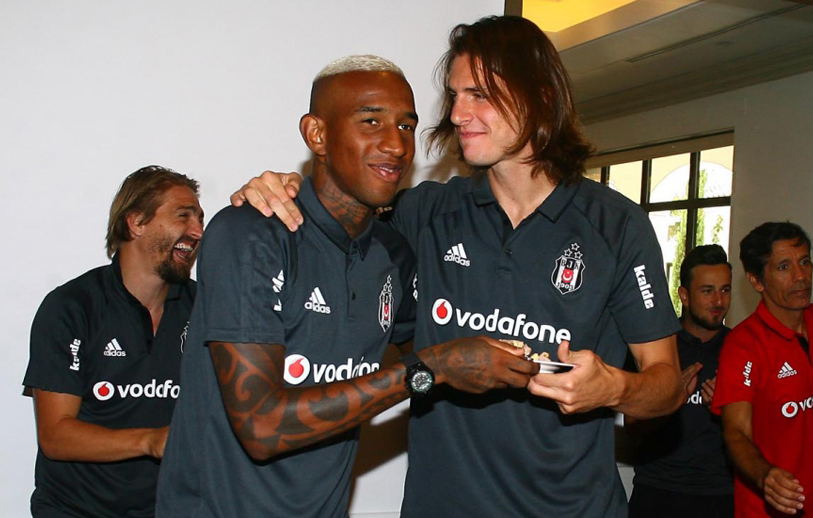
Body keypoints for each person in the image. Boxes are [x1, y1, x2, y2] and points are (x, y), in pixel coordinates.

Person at [234, 16, 684, 517]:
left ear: (539, 98)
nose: (457, 113)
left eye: (479, 95)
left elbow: (666, 384)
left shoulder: (616, 225)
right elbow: (336, 208)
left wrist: (615, 388)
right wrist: (280, 187)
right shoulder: (423, 213)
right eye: (454, 95)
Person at [154, 55, 536, 518]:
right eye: (371, 121)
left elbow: (449, 355)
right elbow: (262, 427)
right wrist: (430, 369)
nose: (395, 144)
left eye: (406, 126)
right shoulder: (252, 233)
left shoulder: (393, 255)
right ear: (317, 134)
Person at [22, 166, 204, 518]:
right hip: (75, 510)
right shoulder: (72, 307)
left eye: (200, 219)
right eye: (183, 215)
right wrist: (151, 441)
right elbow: (55, 436)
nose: (197, 231)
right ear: (136, 223)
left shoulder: (205, 307)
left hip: (171, 508)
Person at [711, 222, 813, 517]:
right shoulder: (743, 345)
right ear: (756, 280)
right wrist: (765, 475)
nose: (801, 276)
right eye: (784, 267)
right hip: (770, 510)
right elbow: (736, 432)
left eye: (805, 262)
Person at [625, 244, 735, 518]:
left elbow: (764, 431)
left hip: (720, 496)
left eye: (725, 290)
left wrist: (727, 410)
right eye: (707, 291)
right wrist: (670, 400)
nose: (718, 301)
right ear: (684, 295)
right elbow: (631, 425)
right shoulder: (658, 348)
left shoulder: (741, 348)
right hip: (658, 493)